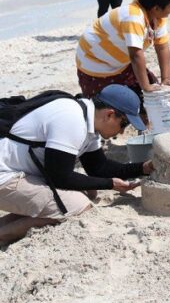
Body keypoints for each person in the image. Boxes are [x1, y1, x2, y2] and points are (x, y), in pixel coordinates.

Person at [0, 84, 153, 245]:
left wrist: (142, 168)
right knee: (79, 207)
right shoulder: (72, 120)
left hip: (14, 170)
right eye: (124, 124)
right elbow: (60, 177)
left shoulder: (86, 116)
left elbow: (98, 167)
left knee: (86, 194)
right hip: (5, 176)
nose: (122, 132)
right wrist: (110, 184)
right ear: (109, 114)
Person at [76, 0, 170, 108]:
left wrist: (166, 79)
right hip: (94, 64)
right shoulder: (133, 17)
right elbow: (136, 55)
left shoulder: (157, 18)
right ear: (156, 8)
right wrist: (146, 86)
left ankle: (145, 126)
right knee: (105, 109)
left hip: (122, 64)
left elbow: (162, 47)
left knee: (151, 99)